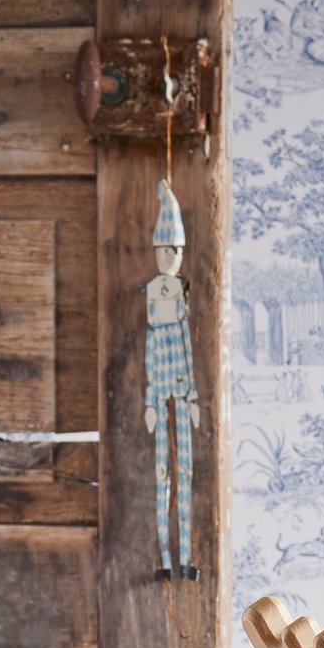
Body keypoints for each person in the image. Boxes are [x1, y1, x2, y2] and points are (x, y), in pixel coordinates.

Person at [144, 179, 200, 582]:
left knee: (186, 471)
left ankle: (186, 556)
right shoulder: (152, 292)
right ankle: (164, 558)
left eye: (173, 251)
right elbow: (151, 346)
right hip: (159, 386)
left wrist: (193, 394)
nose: (167, 258)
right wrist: (149, 400)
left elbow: (185, 344)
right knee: (160, 470)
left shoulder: (179, 293)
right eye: (162, 250)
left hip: (180, 387)